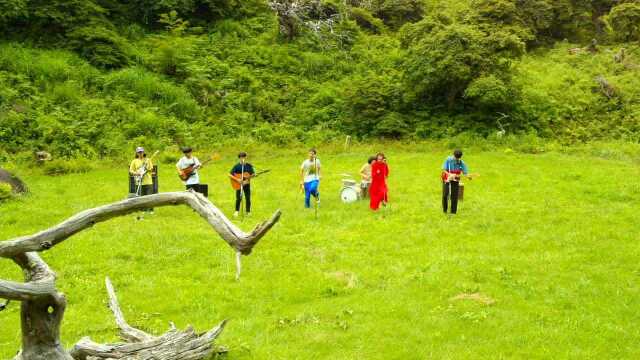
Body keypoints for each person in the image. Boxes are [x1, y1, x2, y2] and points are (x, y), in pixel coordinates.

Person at [442, 149, 469, 214]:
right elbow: (444, 170)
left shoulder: (461, 163)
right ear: (453, 155)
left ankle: (453, 212)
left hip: (455, 180)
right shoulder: (448, 160)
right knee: (445, 194)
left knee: (454, 196)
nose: (456, 159)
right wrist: (450, 174)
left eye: (458, 158)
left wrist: (468, 176)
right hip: (447, 179)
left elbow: (465, 173)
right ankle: (445, 210)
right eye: (455, 158)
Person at [129, 146, 155, 214]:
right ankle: (143, 210)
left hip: (148, 181)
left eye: (141, 152)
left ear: (144, 152)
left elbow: (151, 169)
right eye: (139, 152)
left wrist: (146, 169)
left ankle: (150, 210)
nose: (140, 153)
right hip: (139, 181)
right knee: (141, 197)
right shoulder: (134, 161)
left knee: (149, 196)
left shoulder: (148, 160)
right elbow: (131, 170)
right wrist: (137, 173)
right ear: (137, 153)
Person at [228, 152, 255, 217]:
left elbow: (253, 174)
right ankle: (236, 211)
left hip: (247, 184)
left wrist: (249, 177)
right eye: (241, 157)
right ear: (239, 158)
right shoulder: (237, 166)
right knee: (238, 198)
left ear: (246, 157)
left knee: (248, 198)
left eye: (244, 157)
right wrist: (237, 180)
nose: (242, 159)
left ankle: (248, 212)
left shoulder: (249, 166)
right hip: (238, 184)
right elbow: (229, 174)